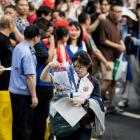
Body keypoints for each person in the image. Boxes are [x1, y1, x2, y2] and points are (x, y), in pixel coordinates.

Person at [40, 51, 104, 140]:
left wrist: (84, 102)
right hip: (64, 124)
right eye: (75, 66)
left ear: (88, 65)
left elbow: (97, 102)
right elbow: (43, 78)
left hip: (84, 125)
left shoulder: (94, 82)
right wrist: (49, 66)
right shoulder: (65, 75)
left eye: (81, 66)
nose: (78, 69)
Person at [9, 24, 40, 140]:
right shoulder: (28, 53)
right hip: (23, 94)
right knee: (25, 127)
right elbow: (30, 76)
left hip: (14, 91)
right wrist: (34, 96)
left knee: (17, 124)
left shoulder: (19, 47)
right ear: (36, 37)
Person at [98, 0, 126, 113]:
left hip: (116, 57)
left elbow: (118, 38)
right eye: (116, 11)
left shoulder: (117, 23)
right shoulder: (104, 22)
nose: (118, 14)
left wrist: (122, 43)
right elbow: (103, 40)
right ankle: (95, 102)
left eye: (120, 11)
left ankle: (111, 106)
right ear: (111, 11)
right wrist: (118, 46)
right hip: (106, 56)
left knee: (113, 82)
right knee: (107, 82)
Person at [30, 17, 55, 140]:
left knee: (40, 118)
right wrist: (53, 42)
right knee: (40, 118)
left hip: (43, 84)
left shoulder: (39, 43)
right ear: (42, 31)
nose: (50, 34)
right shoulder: (38, 44)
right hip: (41, 85)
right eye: (48, 31)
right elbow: (48, 59)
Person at [0, 15, 15, 90]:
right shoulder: (1, 39)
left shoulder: (6, 38)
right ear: (10, 25)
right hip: (2, 79)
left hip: (8, 77)